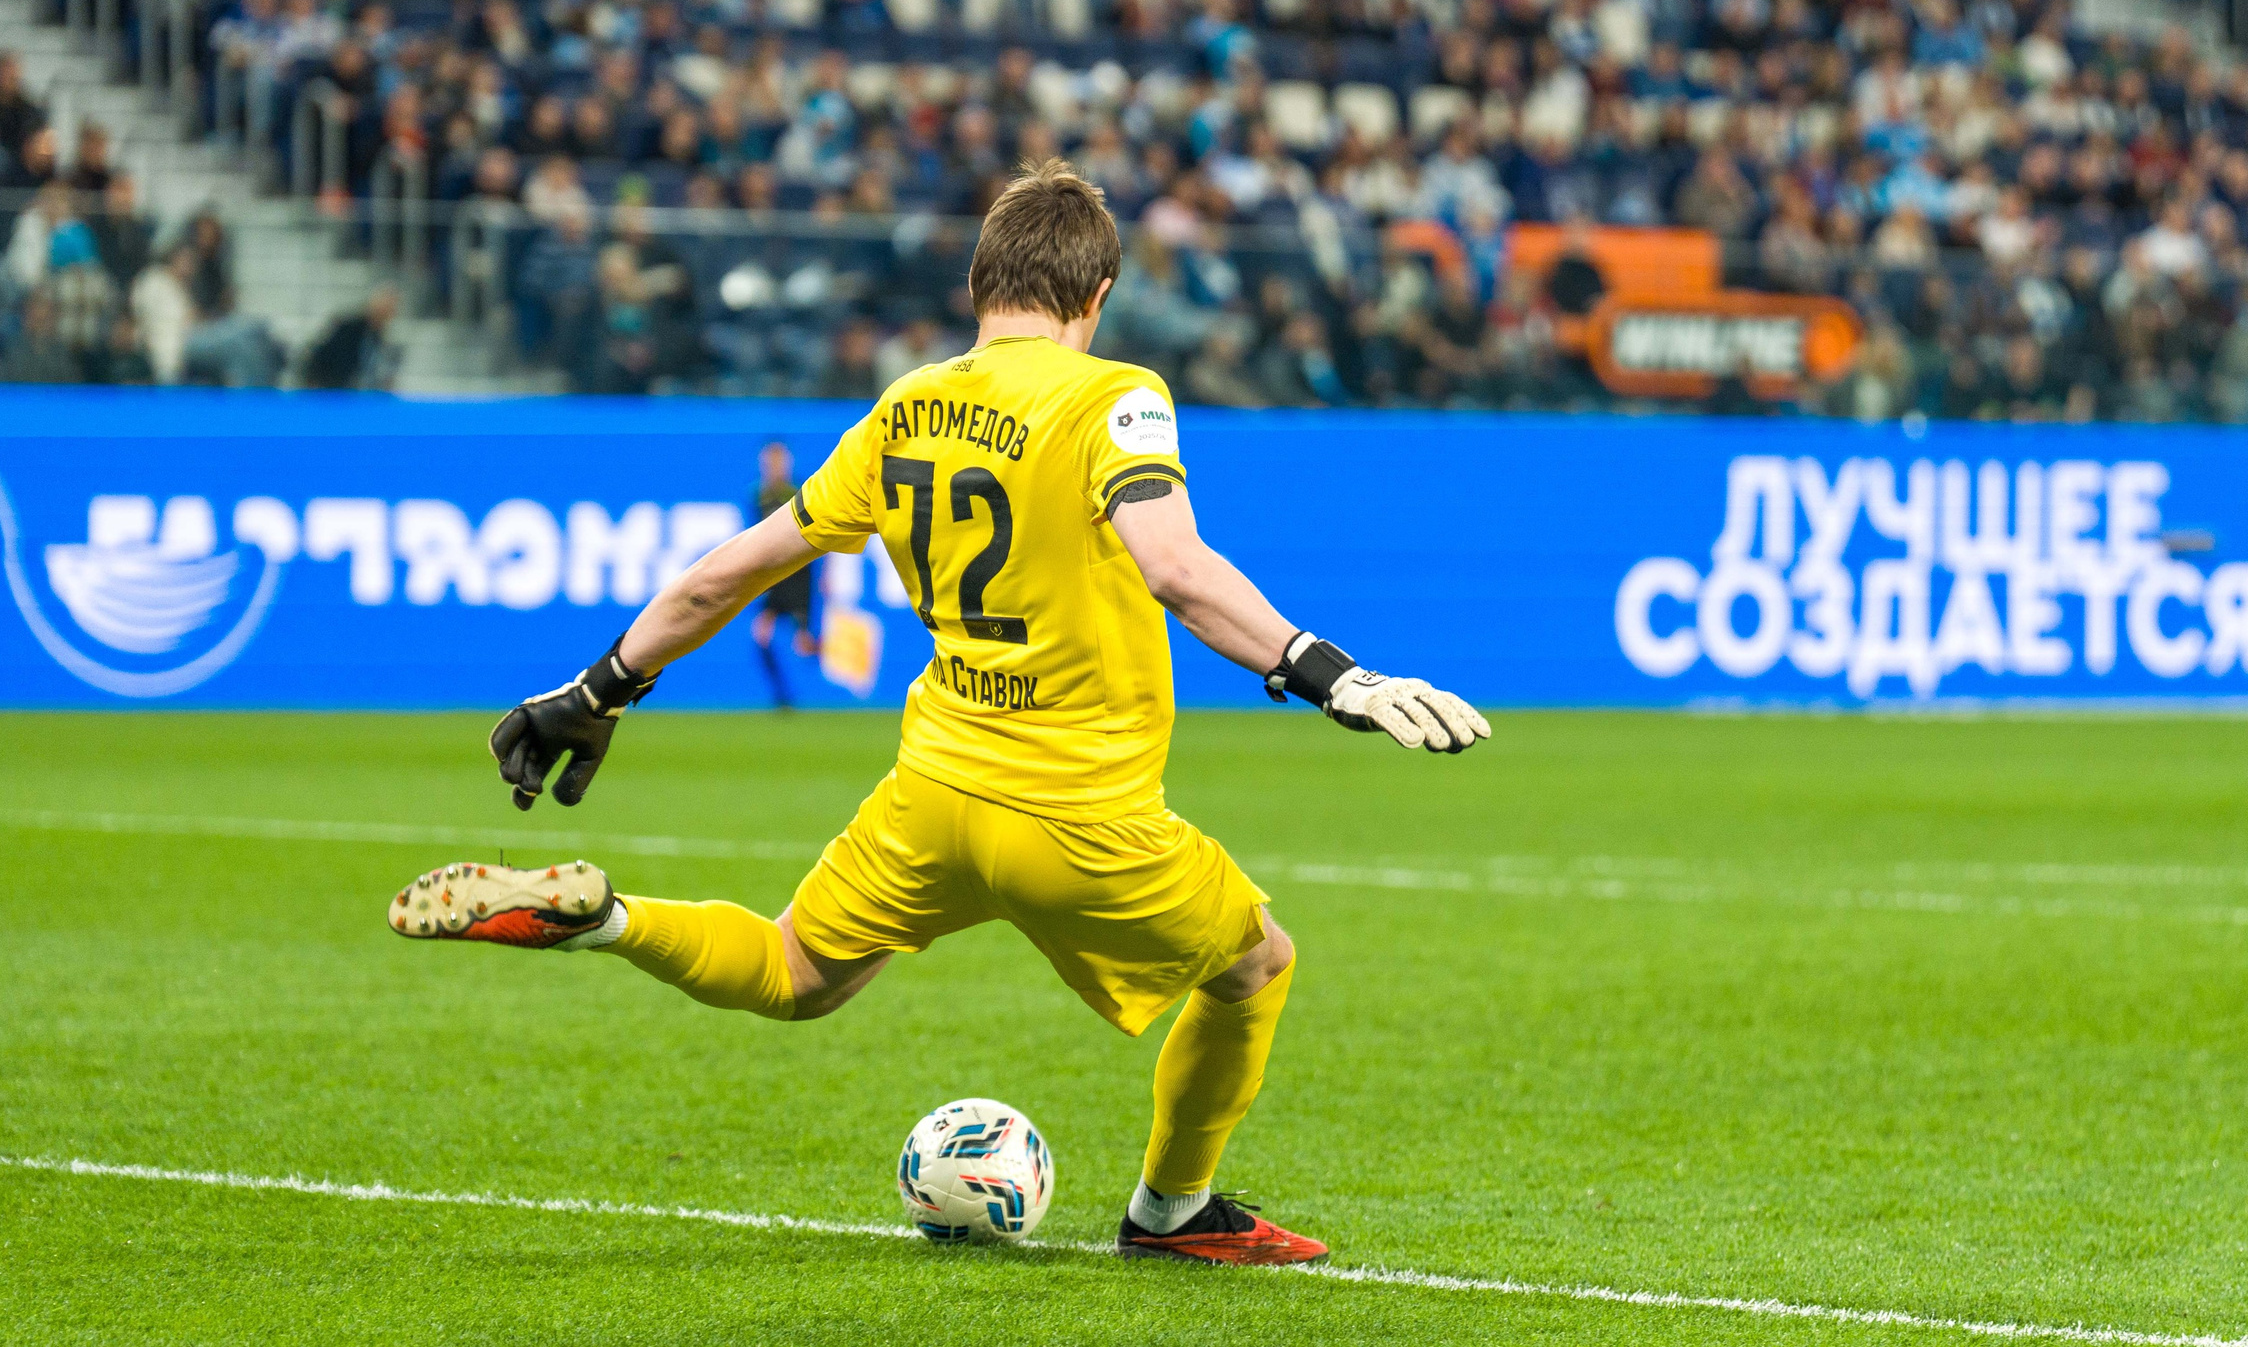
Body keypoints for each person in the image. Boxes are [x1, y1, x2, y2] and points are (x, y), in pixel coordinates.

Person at [385, 159, 1490, 1266]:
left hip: (934, 791)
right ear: (1096, 293)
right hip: (1077, 813)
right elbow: (1175, 566)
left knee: (793, 969)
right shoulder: (1115, 394)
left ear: (977, 283)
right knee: (1257, 963)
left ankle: (608, 918)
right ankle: (1173, 1209)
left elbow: (733, 570)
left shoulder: (907, 402)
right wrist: (1333, 674)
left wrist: (597, 688)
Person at [748, 440, 819, 708]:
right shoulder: (758, 495)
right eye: (769, 462)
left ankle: (828, 650)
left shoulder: (799, 492)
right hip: (773, 576)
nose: (774, 467)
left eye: (779, 462)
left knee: (802, 645)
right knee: (761, 635)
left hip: (798, 574)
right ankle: (782, 696)